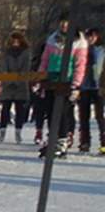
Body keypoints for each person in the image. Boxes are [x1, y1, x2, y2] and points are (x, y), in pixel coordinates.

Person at [37, 11, 88, 158]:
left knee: (63, 111)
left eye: (67, 22)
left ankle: (62, 141)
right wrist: (40, 77)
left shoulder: (79, 41)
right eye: (62, 22)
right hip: (51, 79)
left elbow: (80, 64)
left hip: (66, 81)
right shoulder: (53, 39)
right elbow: (45, 59)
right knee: (50, 111)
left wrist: (76, 84)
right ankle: (52, 138)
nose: (64, 25)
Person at [0, 31, 31, 144]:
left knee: (20, 110)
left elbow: (26, 68)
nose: (15, 43)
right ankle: (2, 131)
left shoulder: (26, 53)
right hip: (8, 85)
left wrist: (18, 80)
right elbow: (4, 68)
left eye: (17, 40)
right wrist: (9, 80)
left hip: (21, 85)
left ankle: (18, 132)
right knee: (5, 109)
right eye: (13, 40)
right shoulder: (6, 53)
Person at [78, 28, 103, 153]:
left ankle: (104, 142)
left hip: (99, 85)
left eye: (93, 36)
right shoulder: (83, 49)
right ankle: (85, 141)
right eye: (88, 36)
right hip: (84, 85)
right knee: (84, 115)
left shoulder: (101, 50)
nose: (90, 39)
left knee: (100, 115)